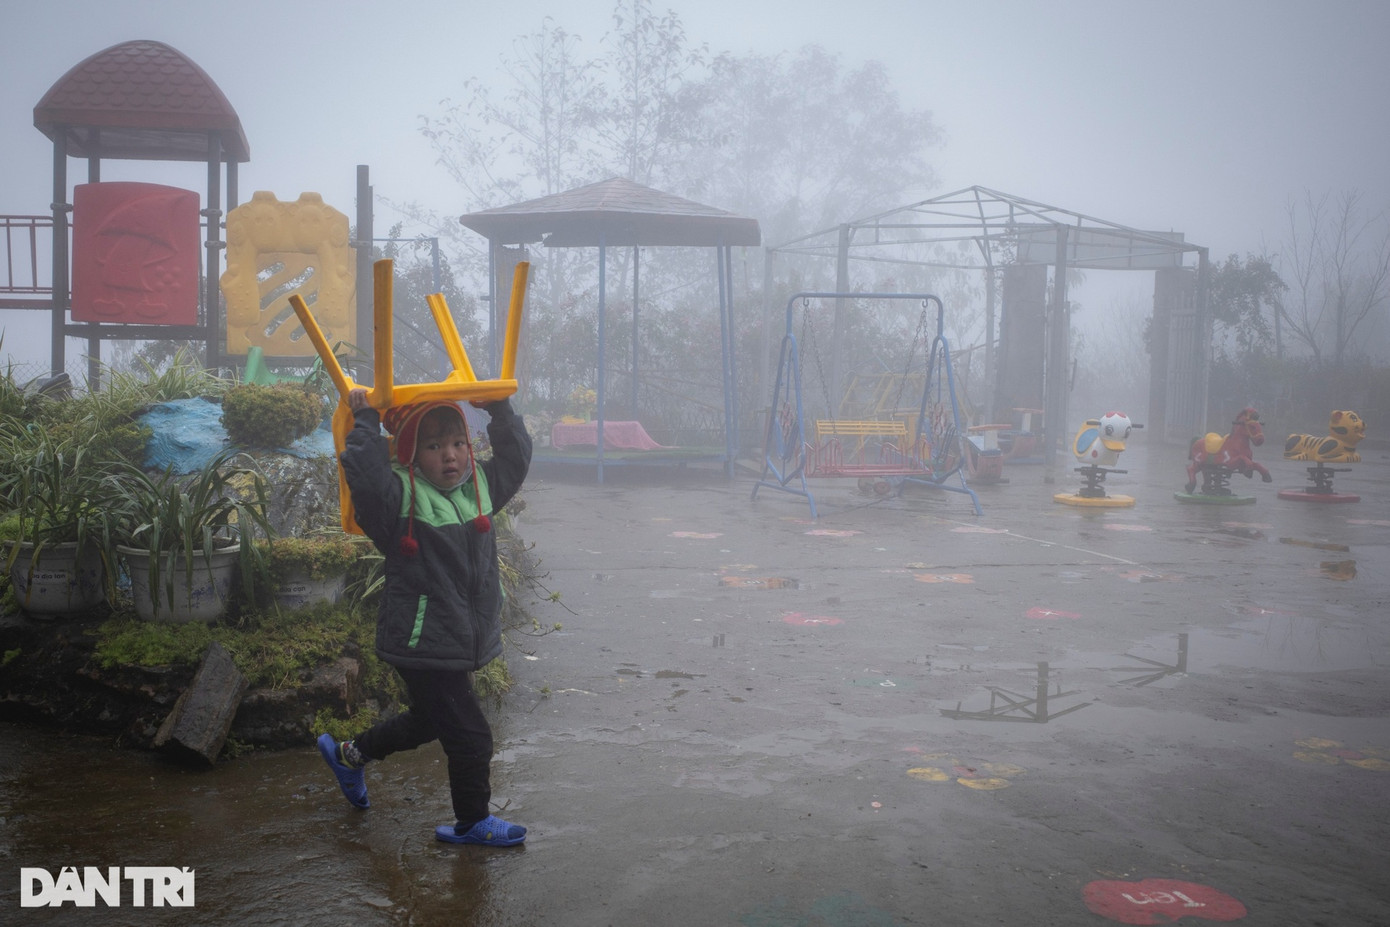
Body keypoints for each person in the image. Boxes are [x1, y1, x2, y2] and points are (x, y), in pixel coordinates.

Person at [317, 386, 532, 846]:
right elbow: (367, 478)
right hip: (422, 642)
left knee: (431, 720)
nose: (450, 457)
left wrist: (498, 408)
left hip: (450, 638)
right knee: (472, 737)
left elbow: (515, 458)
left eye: (457, 443)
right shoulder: (398, 501)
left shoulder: (480, 487)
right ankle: (473, 822)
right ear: (412, 455)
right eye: (433, 447)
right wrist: (366, 422)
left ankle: (349, 755)